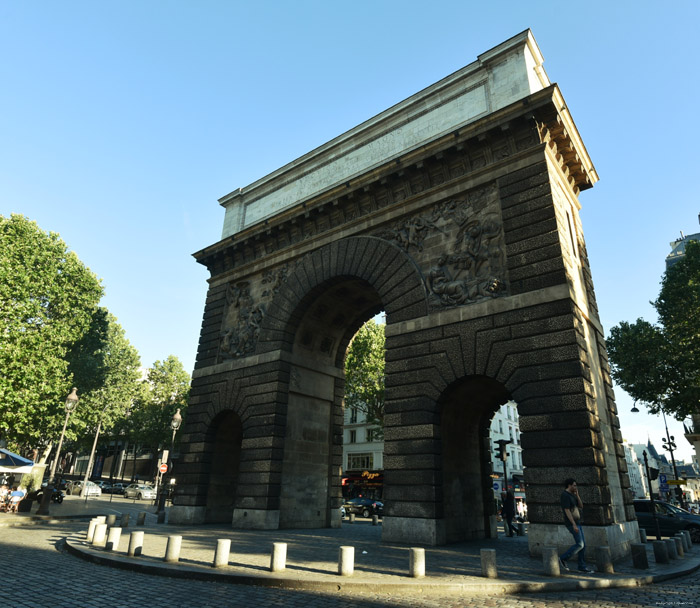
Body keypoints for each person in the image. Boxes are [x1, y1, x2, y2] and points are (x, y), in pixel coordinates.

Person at [559, 478, 594, 573]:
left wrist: (577, 495)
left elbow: (581, 506)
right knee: (580, 544)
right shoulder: (565, 495)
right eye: (574, 485)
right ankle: (563, 558)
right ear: (569, 485)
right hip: (572, 523)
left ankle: (582, 566)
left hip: (578, 522)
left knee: (583, 545)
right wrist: (573, 524)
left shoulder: (572, 495)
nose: (576, 487)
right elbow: (567, 510)